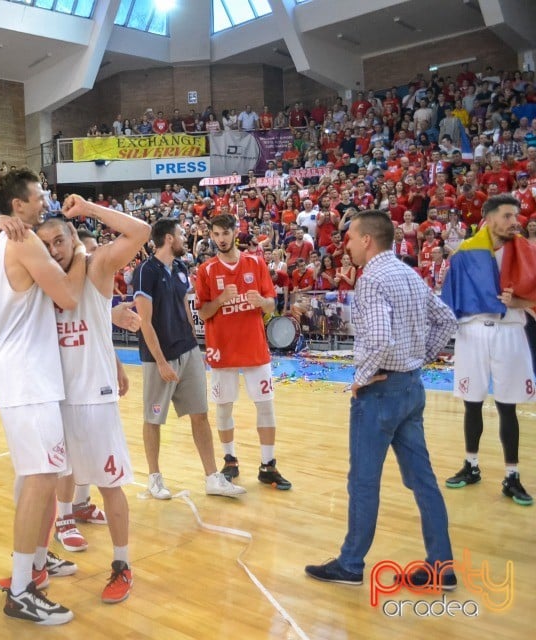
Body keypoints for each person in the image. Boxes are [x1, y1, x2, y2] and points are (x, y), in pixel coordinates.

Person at [306, 210, 457, 588]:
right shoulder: (409, 273)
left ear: (367, 240)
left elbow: (379, 338)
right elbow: (447, 320)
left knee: (363, 481)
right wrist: (419, 359)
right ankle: (442, 565)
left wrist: (360, 378)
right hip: (411, 386)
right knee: (423, 480)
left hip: (380, 393)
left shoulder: (372, 278)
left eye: (351, 239)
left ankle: (351, 564)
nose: (347, 245)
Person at [0, 168, 86, 625]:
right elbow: (67, 296)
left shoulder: (0, 238)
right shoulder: (24, 241)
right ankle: (21, 588)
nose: (45, 202)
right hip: (24, 372)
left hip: (20, 369)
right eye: (38, 197)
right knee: (41, 476)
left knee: (37, 475)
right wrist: (80, 250)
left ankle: (34, 568)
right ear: (18, 206)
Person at [35, 200, 151, 604]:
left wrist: (87, 207)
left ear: (73, 239)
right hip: (54, 397)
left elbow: (140, 231)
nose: (54, 250)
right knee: (48, 480)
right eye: (45, 244)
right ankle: (39, 558)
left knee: (110, 484)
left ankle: (121, 563)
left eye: (59, 241)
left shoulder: (96, 267)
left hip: (94, 398)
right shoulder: (41, 281)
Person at [133, 218, 245, 499]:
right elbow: (145, 322)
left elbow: (185, 308)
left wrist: (196, 348)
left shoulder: (182, 268)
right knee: (154, 418)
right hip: (159, 358)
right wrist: (160, 361)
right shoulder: (144, 271)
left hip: (188, 351)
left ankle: (212, 478)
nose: (185, 237)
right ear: (169, 238)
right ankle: (154, 478)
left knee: (200, 415)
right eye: (181, 234)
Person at [440, 194, 536, 506]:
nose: (515, 222)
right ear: (489, 218)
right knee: (472, 402)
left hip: (510, 329)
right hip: (473, 330)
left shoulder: (526, 252)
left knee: (508, 406)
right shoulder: (465, 253)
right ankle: (471, 464)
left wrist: (519, 303)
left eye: (516, 216)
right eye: (507, 216)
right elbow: (449, 301)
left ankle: (512, 474)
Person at [195, 214, 292, 491]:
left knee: (265, 405)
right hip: (221, 350)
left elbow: (271, 305)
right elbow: (202, 313)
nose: (221, 239)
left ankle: (268, 465)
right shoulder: (206, 270)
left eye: (225, 233)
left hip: (254, 348)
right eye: (216, 234)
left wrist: (262, 302)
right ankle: (230, 460)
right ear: (211, 236)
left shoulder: (255, 262)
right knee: (223, 408)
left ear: (235, 232)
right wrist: (221, 300)